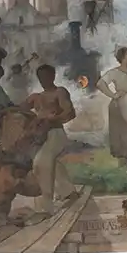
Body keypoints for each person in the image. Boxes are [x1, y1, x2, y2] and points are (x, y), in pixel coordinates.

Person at [25, 62, 77, 202]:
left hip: (56, 133)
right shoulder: (36, 97)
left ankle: (46, 200)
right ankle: (68, 191)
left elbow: (70, 113)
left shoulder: (59, 92)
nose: (43, 80)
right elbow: (20, 108)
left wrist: (54, 119)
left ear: (52, 76)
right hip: (41, 135)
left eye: (46, 76)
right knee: (50, 162)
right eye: (40, 77)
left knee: (41, 162)